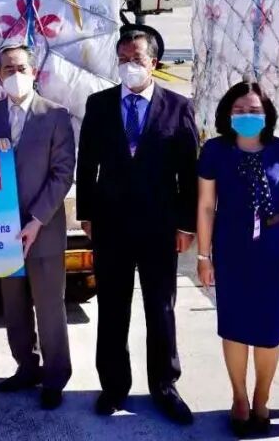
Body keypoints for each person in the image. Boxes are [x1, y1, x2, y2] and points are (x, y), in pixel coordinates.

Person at [76, 28, 198, 425]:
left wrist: (186, 225)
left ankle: (165, 385)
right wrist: (86, 213)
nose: (130, 66)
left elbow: (189, 172)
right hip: (110, 226)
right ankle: (113, 386)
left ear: (154, 63)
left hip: (159, 227)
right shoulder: (99, 105)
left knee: (160, 308)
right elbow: (86, 163)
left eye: (138, 59)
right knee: (113, 308)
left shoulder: (178, 107)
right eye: (124, 59)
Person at [196, 82, 279, 436]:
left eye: (254, 110)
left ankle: (262, 397)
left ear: (267, 115)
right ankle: (240, 398)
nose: (247, 116)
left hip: (273, 251)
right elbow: (206, 205)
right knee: (234, 326)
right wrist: (203, 255)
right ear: (228, 114)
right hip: (231, 249)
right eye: (240, 110)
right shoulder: (215, 151)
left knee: (269, 330)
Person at [0, 45, 75, 410]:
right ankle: (26, 367)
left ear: (34, 72)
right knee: (14, 306)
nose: (14, 74)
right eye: (7, 69)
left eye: (21, 68)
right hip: (3, 231)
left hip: (42, 227)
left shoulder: (55, 115)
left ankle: (55, 377)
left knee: (49, 307)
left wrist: (36, 220)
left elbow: (63, 173)